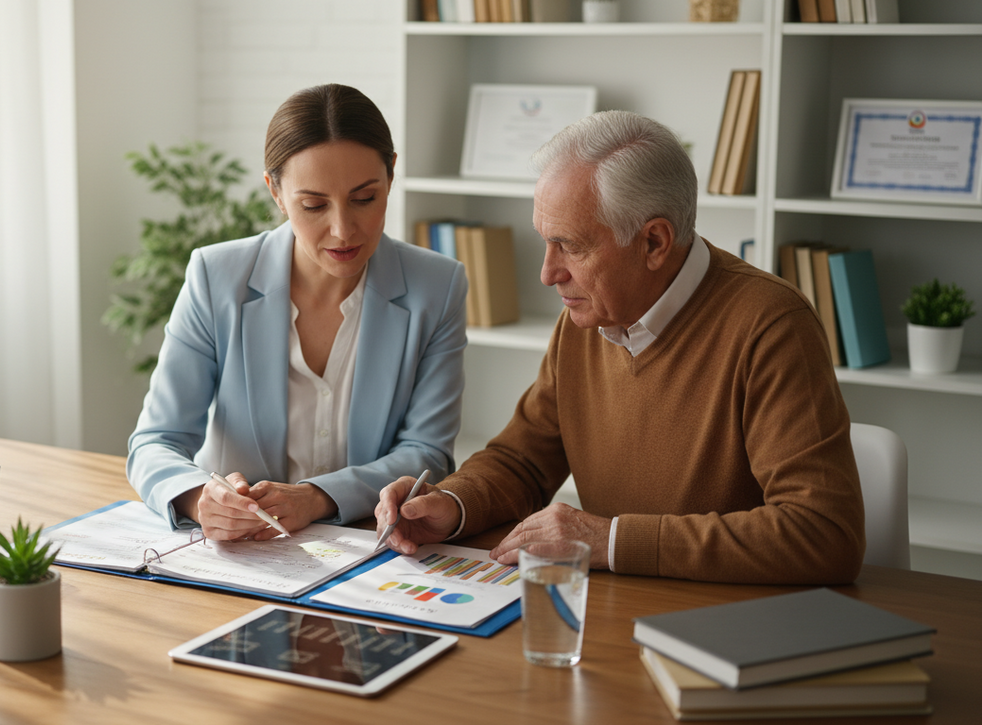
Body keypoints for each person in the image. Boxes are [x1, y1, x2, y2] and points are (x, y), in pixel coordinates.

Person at [375, 110, 865, 585]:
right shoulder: (587, 319)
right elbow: (522, 462)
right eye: (546, 242)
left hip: (724, 628)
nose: (548, 273)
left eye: (570, 246)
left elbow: (824, 533)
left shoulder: (772, 326)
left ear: (654, 242)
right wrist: (451, 503)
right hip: (613, 609)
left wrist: (610, 540)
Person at [128, 84, 467, 541]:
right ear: (276, 193)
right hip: (241, 552)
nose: (343, 229)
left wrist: (316, 497)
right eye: (313, 205)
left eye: (365, 198)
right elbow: (155, 441)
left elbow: (427, 451)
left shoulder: (437, 287)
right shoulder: (215, 277)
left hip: (367, 548)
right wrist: (198, 500)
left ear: (390, 175)